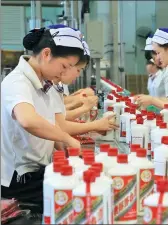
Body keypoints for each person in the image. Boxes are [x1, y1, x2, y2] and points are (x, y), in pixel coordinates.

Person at [1, 26, 83, 208]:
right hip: (19, 180)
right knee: (79, 198)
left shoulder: (42, 83)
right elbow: (27, 119)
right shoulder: (17, 82)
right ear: (46, 54)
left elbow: (49, 123)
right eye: (64, 66)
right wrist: (66, 138)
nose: (64, 73)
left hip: (36, 171)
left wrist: (63, 148)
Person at [49, 40, 118, 136]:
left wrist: (77, 100)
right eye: (78, 70)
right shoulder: (31, 82)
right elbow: (58, 122)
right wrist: (93, 123)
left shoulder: (52, 81)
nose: (78, 75)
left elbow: (57, 112)